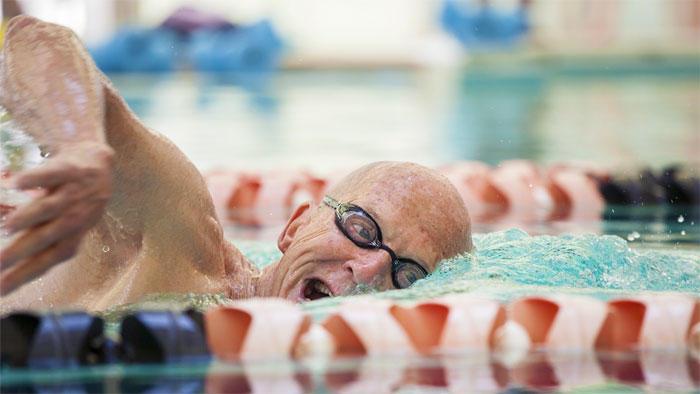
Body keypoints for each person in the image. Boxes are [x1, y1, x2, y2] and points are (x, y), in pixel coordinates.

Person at [0, 16, 472, 311]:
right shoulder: (179, 232)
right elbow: (30, 43)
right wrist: (81, 140)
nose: (369, 272)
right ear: (293, 228)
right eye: (363, 229)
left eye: (408, 276)